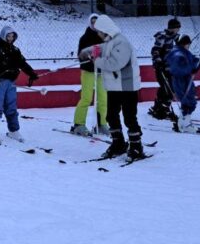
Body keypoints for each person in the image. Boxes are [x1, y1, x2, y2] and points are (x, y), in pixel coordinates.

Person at [80, 15, 146, 160]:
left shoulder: (122, 42)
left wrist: (96, 61)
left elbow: (115, 64)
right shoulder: (110, 42)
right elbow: (101, 48)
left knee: (129, 117)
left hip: (127, 87)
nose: (98, 34)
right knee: (111, 115)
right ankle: (118, 143)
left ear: (106, 30)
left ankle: (136, 146)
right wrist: (87, 51)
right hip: (114, 87)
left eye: (99, 31)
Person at [0, 26, 39, 144]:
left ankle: (14, 130)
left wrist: (31, 73)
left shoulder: (15, 50)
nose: (10, 38)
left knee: (11, 108)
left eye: (12, 36)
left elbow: (22, 63)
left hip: (11, 83)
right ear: (3, 36)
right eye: (8, 36)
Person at [72, 13, 108, 136]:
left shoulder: (104, 36)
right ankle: (78, 124)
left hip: (101, 71)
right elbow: (81, 54)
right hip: (88, 70)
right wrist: (88, 57)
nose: (95, 24)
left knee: (103, 98)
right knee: (86, 97)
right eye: (92, 22)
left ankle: (102, 124)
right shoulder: (85, 38)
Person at [165, 35, 200, 132]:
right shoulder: (178, 53)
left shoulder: (183, 52)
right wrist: (192, 68)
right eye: (188, 44)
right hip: (180, 81)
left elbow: (193, 60)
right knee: (188, 102)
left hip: (186, 80)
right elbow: (177, 69)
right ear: (184, 43)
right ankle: (185, 125)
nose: (189, 46)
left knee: (189, 101)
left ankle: (183, 123)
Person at [148, 18, 181, 121]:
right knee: (167, 88)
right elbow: (155, 50)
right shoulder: (163, 36)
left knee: (168, 87)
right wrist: (158, 61)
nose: (178, 30)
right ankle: (163, 110)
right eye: (177, 27)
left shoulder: (174, 38)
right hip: (161, 67)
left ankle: (158, 107)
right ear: (173, 27)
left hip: (170, 67)